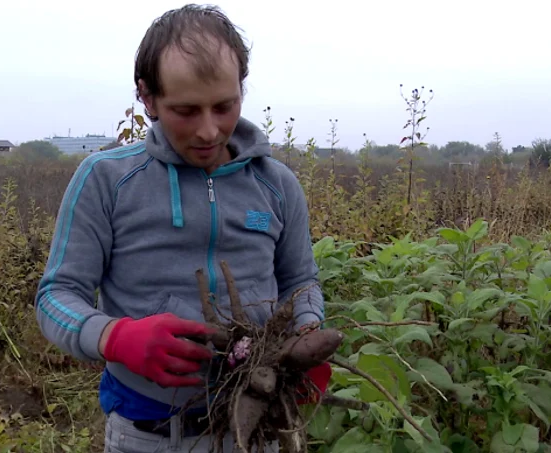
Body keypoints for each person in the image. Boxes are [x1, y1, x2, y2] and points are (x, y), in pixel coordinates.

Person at [34, 4, 331, 452]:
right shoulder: (105, 180)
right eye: (186, 111)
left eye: (224, 106)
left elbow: (301, 281)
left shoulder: (276, 184)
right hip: (149, 434)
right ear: (148, 98)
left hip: (260, 423)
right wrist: (115, 337)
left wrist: (308, 333)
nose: (209, 131)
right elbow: (55, 298)